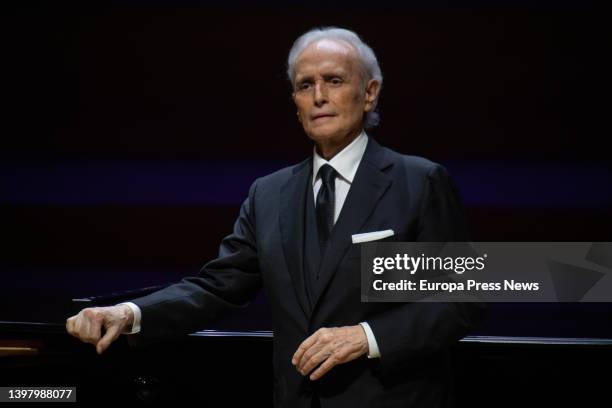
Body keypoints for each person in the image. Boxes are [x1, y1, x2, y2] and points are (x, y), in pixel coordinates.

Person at [67, 27, 482, 407]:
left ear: (369, 93)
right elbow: (217, 288)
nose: (319, 95)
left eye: (334, 81)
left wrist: (367, 336)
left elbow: (459, 300)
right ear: (295, 103)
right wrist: (128, 313)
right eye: (305, 85)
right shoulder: (269, 194)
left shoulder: (420, 180)